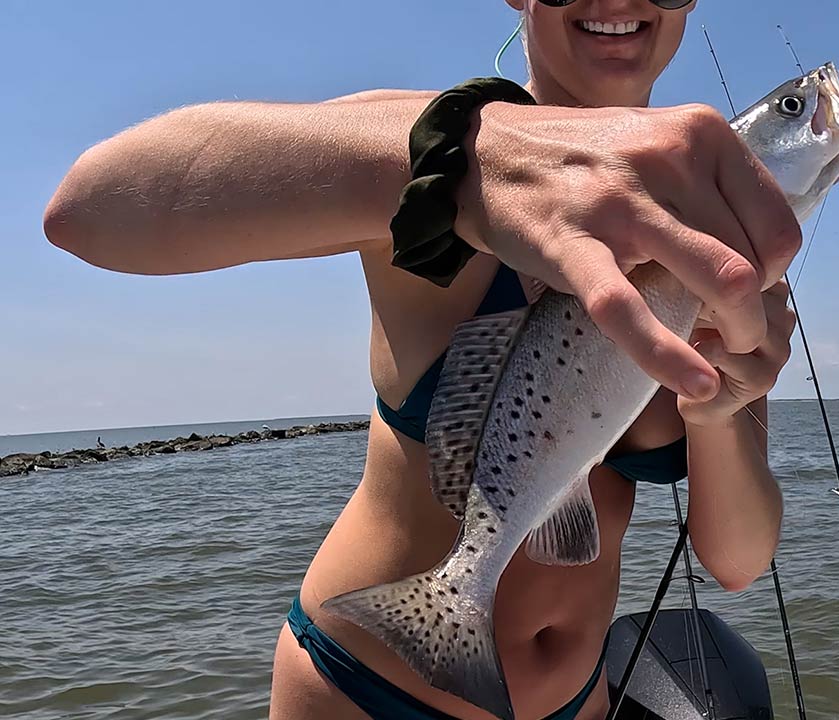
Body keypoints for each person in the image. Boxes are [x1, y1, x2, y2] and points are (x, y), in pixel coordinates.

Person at [42, 1, 799, 718]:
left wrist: (718, 409)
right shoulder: (435, 143)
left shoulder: (714, 236)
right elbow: (87, 212)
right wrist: (460, 160)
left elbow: (735, 561)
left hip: (579, 699)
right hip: (365, 692)